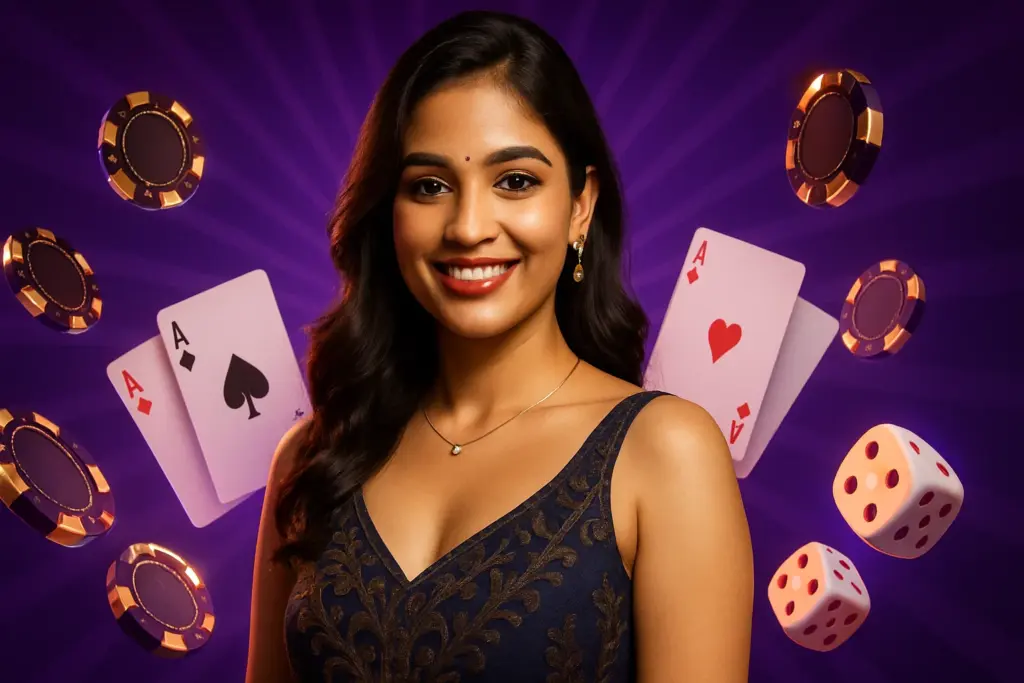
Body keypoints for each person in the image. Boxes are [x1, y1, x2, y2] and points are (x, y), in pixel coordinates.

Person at [246, 10, 753, 682]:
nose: (468, 226)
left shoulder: (666, 452)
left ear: (580, 203)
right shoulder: (311, 459)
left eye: (515, 180)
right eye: (429, 185)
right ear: (388, 210)